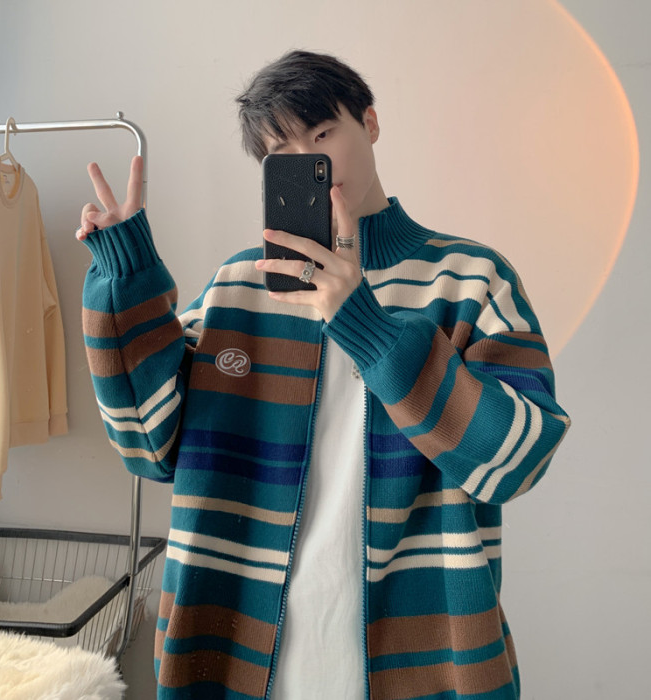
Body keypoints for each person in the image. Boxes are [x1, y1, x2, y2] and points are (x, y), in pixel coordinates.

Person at [77, 50, 570, 700]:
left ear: (370, 122)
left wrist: (366, 324)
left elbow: (518, 459)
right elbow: (146, 444)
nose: (313, 159)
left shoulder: (471, 281)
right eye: (283, 149)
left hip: (425, 663)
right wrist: (125, 275)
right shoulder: (238, 288)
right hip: (239, 659)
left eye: (323, 132)